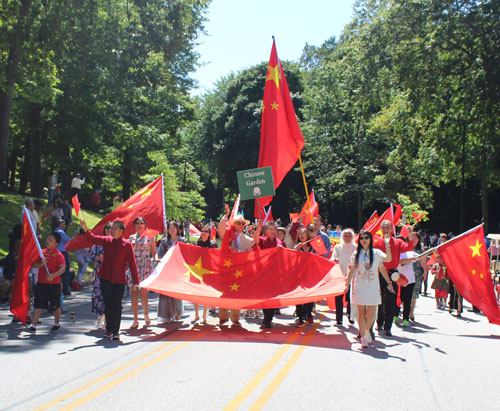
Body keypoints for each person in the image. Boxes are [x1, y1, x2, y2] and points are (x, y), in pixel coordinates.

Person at [80, 217, 139, 341]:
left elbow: (132, 264)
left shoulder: (127, 245)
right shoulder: (107, 241)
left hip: (119, 280)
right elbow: (92, 238)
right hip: (105, 278)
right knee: (107, 304)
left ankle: (116, 331)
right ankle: (109, 330)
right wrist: (85, 228)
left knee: (117, 305)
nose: (112, 231)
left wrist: (136, 282)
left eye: (115, 229)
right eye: (111, 229)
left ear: (122, 231)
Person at [345, 230, 393, 348]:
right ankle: (363, 338)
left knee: (371, 315)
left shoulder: (376, 253)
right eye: (362, 238)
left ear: (370, 239)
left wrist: (387, 245)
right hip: (360, 287)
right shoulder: (356, 254)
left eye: (366, 237)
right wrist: (347, 285)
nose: (364, 240)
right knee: (362, 314)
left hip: (373, 288)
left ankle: (366, 331)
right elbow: (351, 270)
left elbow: (387, 260)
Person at [374, 220, 417, 337]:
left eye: (388, 227)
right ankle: (379, 322)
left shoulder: (398, 242)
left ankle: (388, 327)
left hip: (393, 274)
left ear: (392, 229)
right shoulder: (376, 241)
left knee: (391, 301)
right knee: (378, 299)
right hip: (378, 273)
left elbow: (409, 248)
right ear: (381, 229)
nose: (386, 229)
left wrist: (410, 235)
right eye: (383, 227)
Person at [218, 206, 253, 326]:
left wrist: (237, 252)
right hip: (226, 268)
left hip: (239, 270)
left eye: (243, 224)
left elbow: (249, 255)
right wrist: (227, 214)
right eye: (239, 223)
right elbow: (221, 227)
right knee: (223, 292)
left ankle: (235, 318)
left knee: (237, 293)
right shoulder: (227, 234)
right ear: (234, 224)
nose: (242, 225)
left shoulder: (248, 240)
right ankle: (223, 317)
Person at [25, 232, 66, 333]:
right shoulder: (41, 252)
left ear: (56, 243)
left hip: (54, 284)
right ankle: (33, 325)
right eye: (47, 239)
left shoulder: (59, 255)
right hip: (41, 283)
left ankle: (57, 323)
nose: (48, 241)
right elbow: (32, 265)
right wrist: (40, 264)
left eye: (51, 240)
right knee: (38, 305)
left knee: (55, 306)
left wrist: (53, 275)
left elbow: (63, 268)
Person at [254, 220, 285, 329]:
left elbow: (286, 256)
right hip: (264, 274)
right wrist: (258, 228)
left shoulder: (280, 243)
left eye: (275, 229)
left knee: (273, 298)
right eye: (270, 229)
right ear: (266, 231)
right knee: (265, 297)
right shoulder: (263, 240)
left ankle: (268, 319)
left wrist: (282, 250)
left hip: (276, 274)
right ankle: (267, 319)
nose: (273, 231)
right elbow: (256, 240)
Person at [128, 217, 158, 329]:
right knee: (134, 292)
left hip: (145, 265)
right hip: (134, 266)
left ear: (145, 225)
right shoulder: (131, 238)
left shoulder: (150, 237)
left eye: (142, 223)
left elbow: (154, 252)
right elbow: (128, 254)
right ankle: (135, 319)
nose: (139, 225)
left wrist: (157, 259)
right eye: (137, 223)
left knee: (143, 292)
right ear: (134, 226)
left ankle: (146, 314)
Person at [157, 222, 186, 324]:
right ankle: (167, 314)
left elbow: (186, 255)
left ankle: (178, 312)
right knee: (166, 293)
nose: (172, 229)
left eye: (174, 227)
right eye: (170, 228)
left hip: (178, 270)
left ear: (178, 229)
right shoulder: (164, 242)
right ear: (168, 230)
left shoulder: (183, 241)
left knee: (176, 292)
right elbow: (159, 254)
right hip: (167, 270)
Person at [331, 228, 357, 325]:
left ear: (352, 237)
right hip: (340, 276)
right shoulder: (338, 247)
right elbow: (333, 258)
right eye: (345, 236)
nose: (347, 238)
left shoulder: (356, 247)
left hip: (353, 276)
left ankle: (351, 316)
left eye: (349, 235)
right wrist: (336, 260)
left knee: (351, 298)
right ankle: (339, 318)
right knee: (338, 298)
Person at [89, 223, 112, 329]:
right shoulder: (98, 242)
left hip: (111, 273)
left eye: (111, 228)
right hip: (99, 272)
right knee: (97, 295)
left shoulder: (114, 242)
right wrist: (99, 258)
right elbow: (91, 255)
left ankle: (107, 320)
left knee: (109, 296)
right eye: (107, 228)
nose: (109, 230)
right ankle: (101, 315)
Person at [193, 225, 217, 323]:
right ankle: (196, 315)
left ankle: (204, 316)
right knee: (196, 294)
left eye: (206, 231)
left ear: (209, 234)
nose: (204, 232)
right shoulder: (196, 244)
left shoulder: (212, 245)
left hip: (207, 271)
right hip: (197, 271)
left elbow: (215, 258)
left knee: (205, 294)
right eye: (202, 231)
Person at [293, 227, 316, 327]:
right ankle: (300, 318)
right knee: (298, 296)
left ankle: (309, 314)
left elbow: (320, 258)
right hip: (299, 275)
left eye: (304, 233)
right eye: (300, 234)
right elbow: (291, 260)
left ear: (308, 235)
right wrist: (295, 249)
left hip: (311, 275)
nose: (302, 236)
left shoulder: (313, 247)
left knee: (309, 297)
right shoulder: (297, 247)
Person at [51, 217, 72, 296]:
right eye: (63, 224)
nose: (65, 225)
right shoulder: (60, 232)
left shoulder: (55, 231)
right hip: (62, 253)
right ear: (59, 224)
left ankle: (58, 288)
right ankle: (65, 289)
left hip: (57, 252)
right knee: (65, 272)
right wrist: (75, 236)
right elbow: (69, 241)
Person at [410, 233, 427, 322]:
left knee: (414, 294)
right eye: (412, 238)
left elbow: (423, 263)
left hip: (417, 274)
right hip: (407, 274)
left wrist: (425, 273)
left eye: (415, 238)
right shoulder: (406, 249)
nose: (413, 240)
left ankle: (411, 312)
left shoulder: (420, 251)